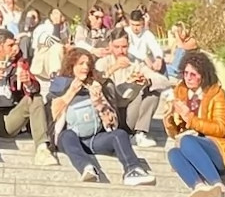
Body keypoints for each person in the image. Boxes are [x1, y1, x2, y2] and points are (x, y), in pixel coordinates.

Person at [47, 46, 154, 186]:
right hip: (71, 138)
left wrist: (99, 104)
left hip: (94, 139)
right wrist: (71, 92)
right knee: (67, 136)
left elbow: (110, 121)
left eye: (88, 64)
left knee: (120, 134)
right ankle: (85, 167)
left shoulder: (95, 86)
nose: (85, 67)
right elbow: (53, 113)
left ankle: (132, 169)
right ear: (71, 65)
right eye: (81, 64)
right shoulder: (60, 85)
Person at [164, 50, 225, 197]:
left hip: (217, 149)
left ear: (203, 75)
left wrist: (190, 119)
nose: (188, 78)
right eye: (185, 73)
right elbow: (175, 133)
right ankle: (199, 186)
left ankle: (219, 186)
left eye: (193, 74)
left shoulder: (216, 93)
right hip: (191, 148)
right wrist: (169, 118)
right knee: (173, 153)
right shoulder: (180, 91)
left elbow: (221, 128)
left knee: (187, 141)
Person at [0, 28, 54, 161]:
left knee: (35, 98)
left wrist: (28, 83)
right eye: (10, 45)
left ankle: (42, 149)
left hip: (11, 117)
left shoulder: (19, 63)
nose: (15, 48)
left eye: (15, 44)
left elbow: (35, 88)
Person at [98, 25, 168, 149]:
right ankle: (110, 131)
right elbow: (94, 83)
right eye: (117, 47)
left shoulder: (135, 63)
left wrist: (147, 81)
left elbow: (163, 81)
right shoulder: (103, 62)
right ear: (110, 46)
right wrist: (113, 68)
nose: (121, 51)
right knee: (107, 85)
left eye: (124, 47)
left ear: (128, 46)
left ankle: (140, 132)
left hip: (130, 113)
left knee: (154, 89)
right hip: (111, 113)